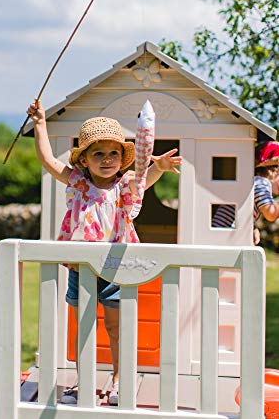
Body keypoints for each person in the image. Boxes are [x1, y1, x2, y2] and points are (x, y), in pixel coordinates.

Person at [27, 98, 182, 406]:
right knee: (84, 326)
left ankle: (118, 379)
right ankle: (83, 381)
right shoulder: (78, 182)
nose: (107, 159)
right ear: (84, 160)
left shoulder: (124, 184)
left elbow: (144, 179)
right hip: (81, 266)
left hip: (116, 266)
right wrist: (40, 124)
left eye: (114, 153)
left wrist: (159, 167)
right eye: (98, 153)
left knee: (117, 327)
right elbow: (47, 160)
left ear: (122, 159)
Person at [211, 141, 279, 243]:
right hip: (223, 237)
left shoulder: (253, 181)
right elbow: (271, 214)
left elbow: (240, 214)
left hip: (220, 233)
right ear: (274, 171)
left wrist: (251, 229)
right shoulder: (261, 182)